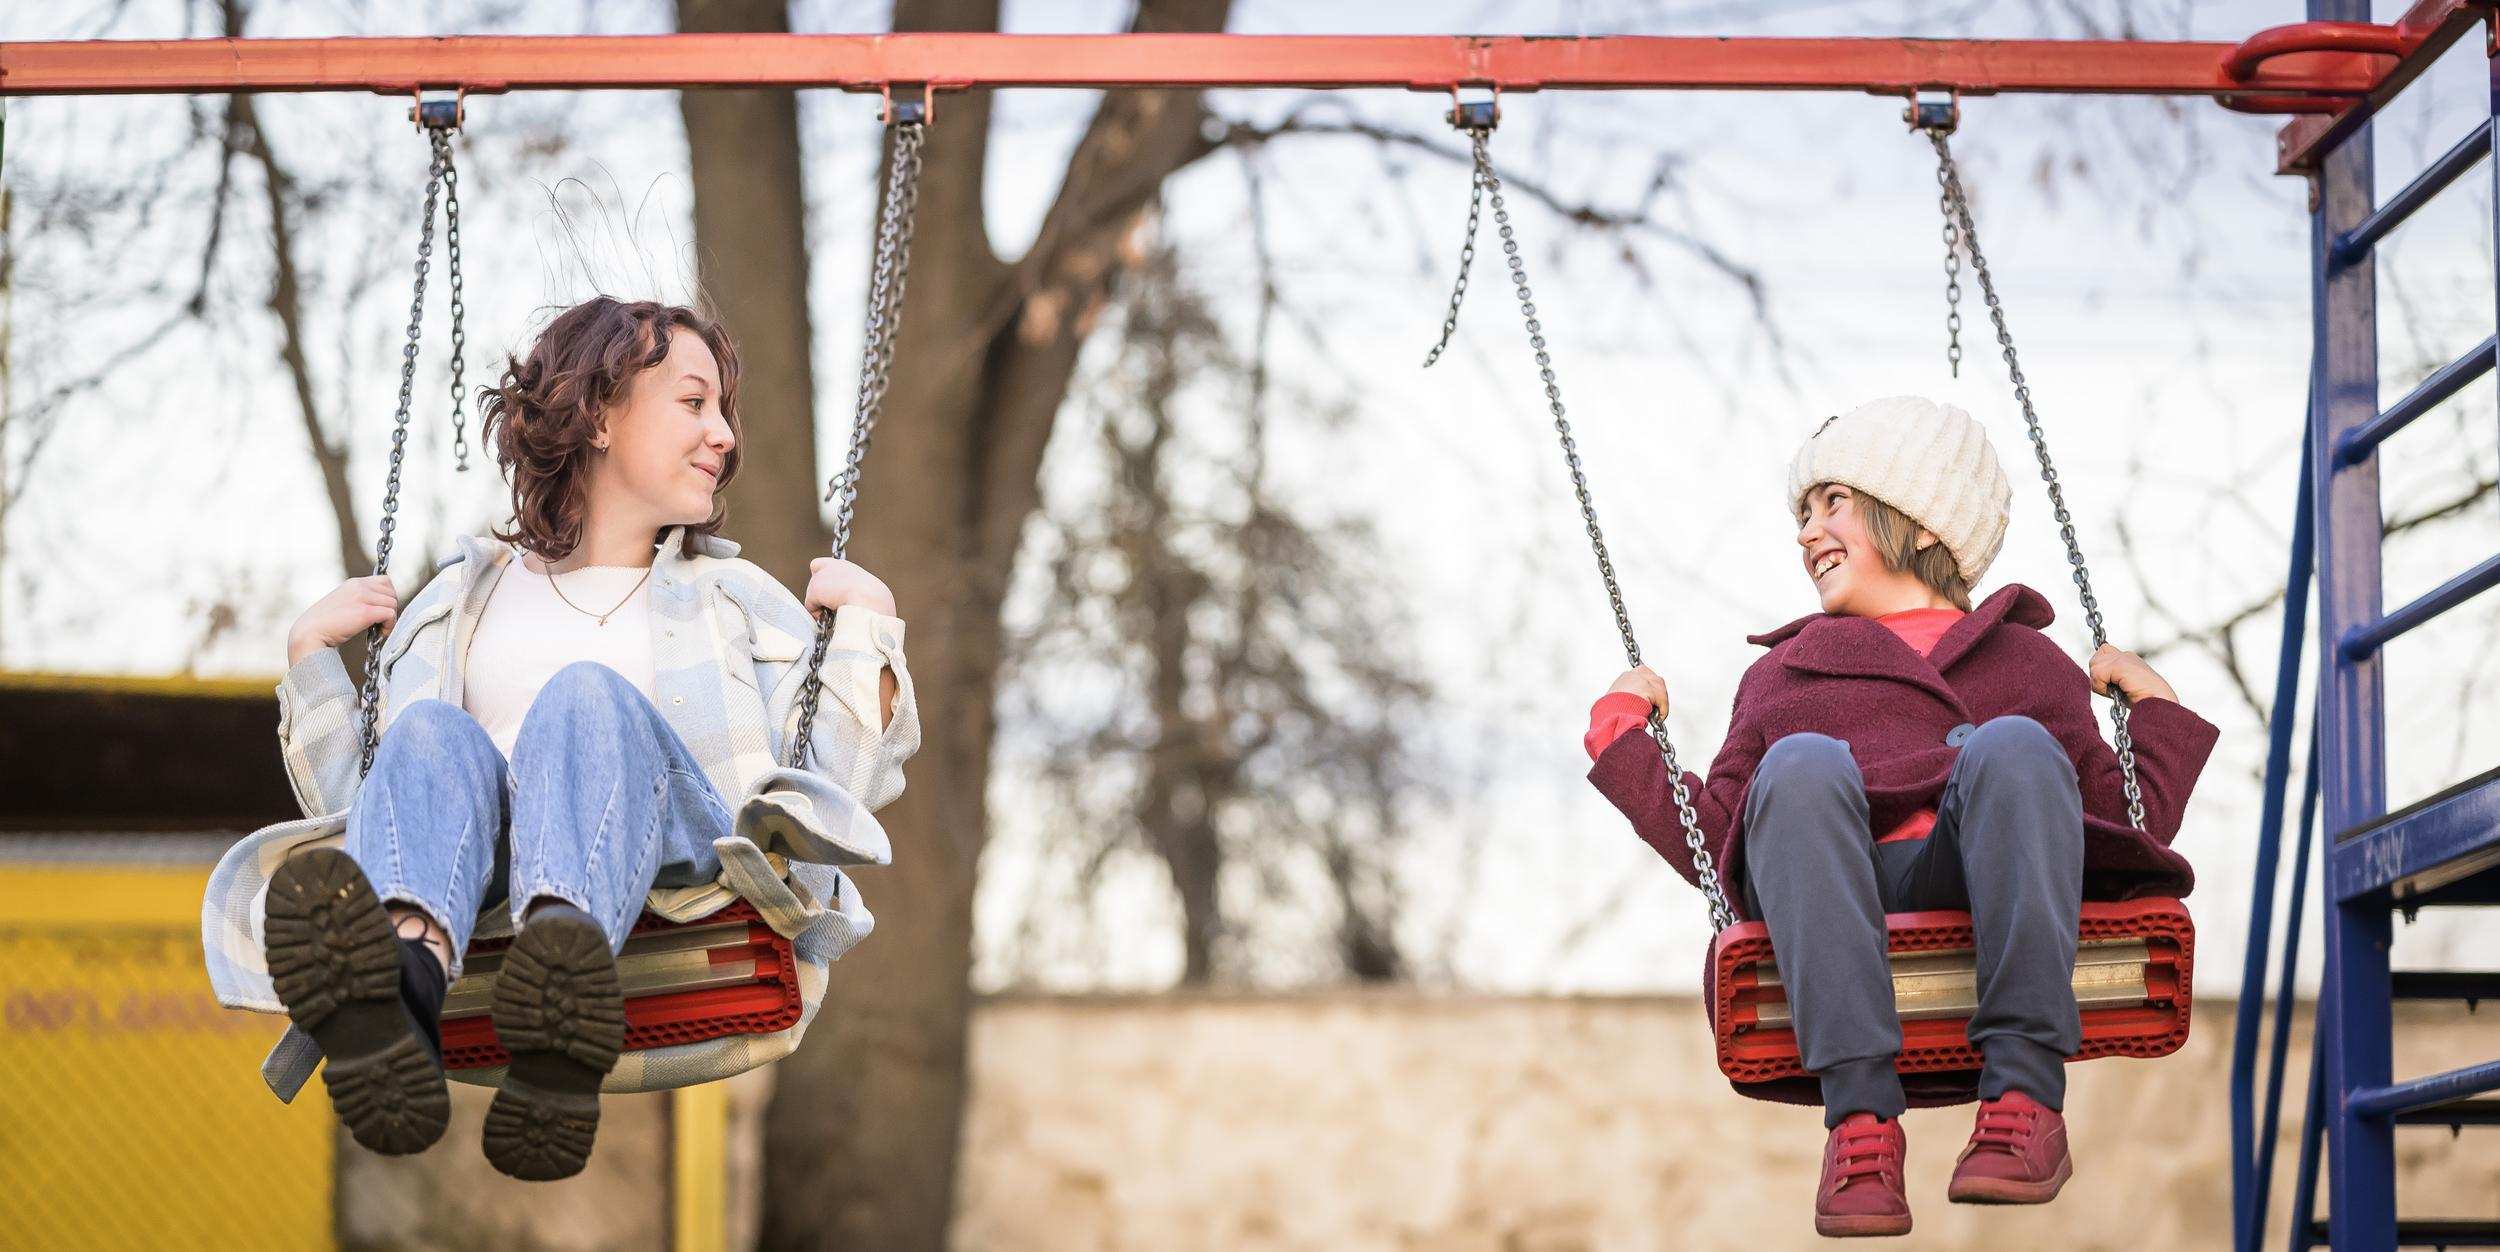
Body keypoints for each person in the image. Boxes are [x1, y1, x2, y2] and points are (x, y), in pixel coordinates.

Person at [202, 296, 918, 1181]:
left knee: (587, 701)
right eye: (694, 403)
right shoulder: (456, 603)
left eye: (723, 411)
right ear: (601, 413)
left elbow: (837, 796)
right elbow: (373, 811)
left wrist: (869, 635)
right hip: (484, 893)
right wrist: (311, 660)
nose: (725, 434)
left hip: (683, 879)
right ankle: (405, 990)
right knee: (426, 734)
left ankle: (563, 970)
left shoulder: (736, 601)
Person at [1583, 396, 2217, 1238]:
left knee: (2018, 749)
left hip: (1980, 877)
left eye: (1832, 503)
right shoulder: (1784, 676)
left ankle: (2024, 1100)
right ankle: (1861, 1127)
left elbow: (2119, 827)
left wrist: (2155, 713)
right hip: (1835, 894)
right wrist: (1623, 735)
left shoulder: (2027, 659)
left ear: (1921, 525)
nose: (1808, 532)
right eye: (1802, 515)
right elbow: (1718, 842)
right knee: (1799, 765)